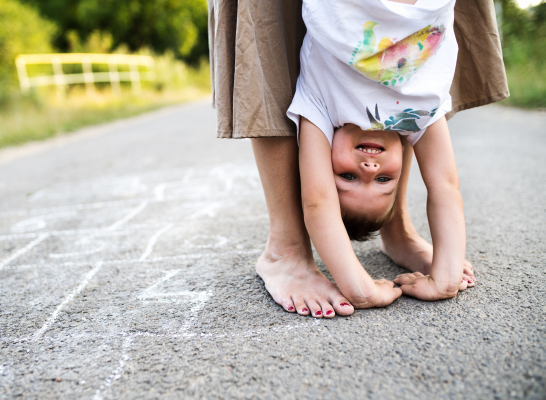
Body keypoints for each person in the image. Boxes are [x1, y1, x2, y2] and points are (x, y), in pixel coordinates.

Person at [207, 0, 509, 317]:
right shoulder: (419, 115)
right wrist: (444, 280)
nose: (368, 168)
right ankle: (395, 232)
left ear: (324, 165)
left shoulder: (319, 108)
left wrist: (360, 291)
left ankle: (392, 230)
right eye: (383, 180)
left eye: (348, 177)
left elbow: (317, 202)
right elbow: (446, 187)